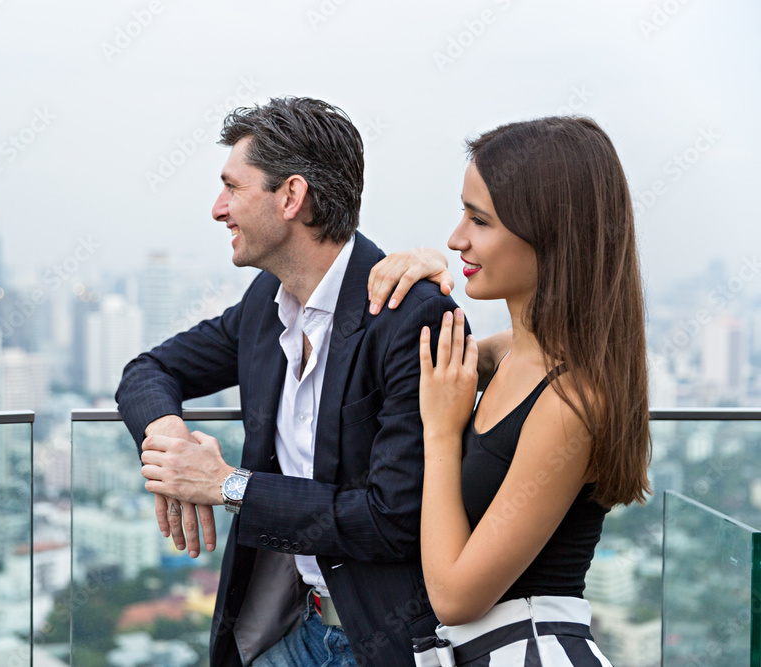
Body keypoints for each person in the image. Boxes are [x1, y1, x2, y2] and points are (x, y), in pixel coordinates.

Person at [116, 96, 464, 666]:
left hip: (383, 643)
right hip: (297, 629)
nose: (218, 209)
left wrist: (228, 485)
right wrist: (171, 442)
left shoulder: (409, 317)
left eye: (233, 187)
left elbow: (393, 520)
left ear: (291, 197)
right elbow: (149, 370)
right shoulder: (265, 305)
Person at [374, 116, 651, 665]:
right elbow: (391, 373)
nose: (456, 238)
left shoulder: (571, 402)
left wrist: (441, 433)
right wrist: (421, 270)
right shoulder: (510, 353)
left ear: (551, 235)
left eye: (479, 220)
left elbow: (455, 598)